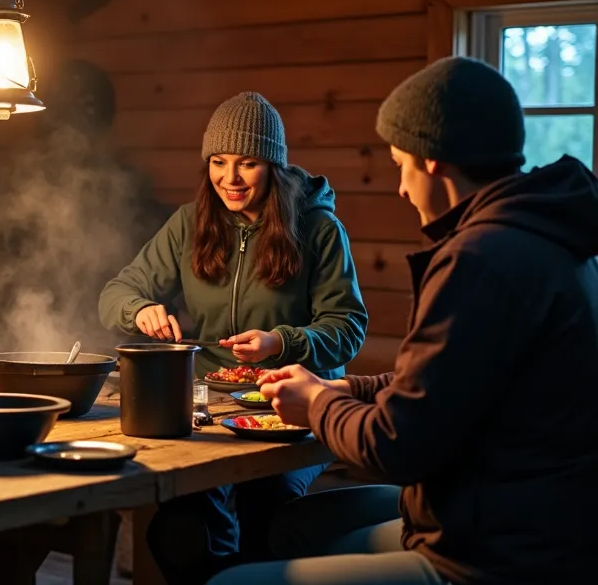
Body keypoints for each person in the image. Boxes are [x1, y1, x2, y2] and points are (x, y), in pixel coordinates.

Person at [215, 56, 598, 584]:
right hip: (512, 515)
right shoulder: (548, 238)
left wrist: (318, 402)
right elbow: (447, 383)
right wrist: (348, 384)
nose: (400, 187)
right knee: (294, 527)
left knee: (228, 582)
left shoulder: (480, 261)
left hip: (494, 552)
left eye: (400, 164)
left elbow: (396, 445)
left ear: (432, 162)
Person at [98, 91, 369, 584]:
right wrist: (141, 311)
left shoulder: (319, 229)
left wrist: (278, 342)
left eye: (247, 163)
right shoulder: (190, 222)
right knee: (178, 525)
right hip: (207, 410)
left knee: (265, 506)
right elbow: (117, 292)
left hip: (290, 409)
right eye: (219, 162)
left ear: (274, 166)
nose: (231, 178)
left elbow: (347, 328)